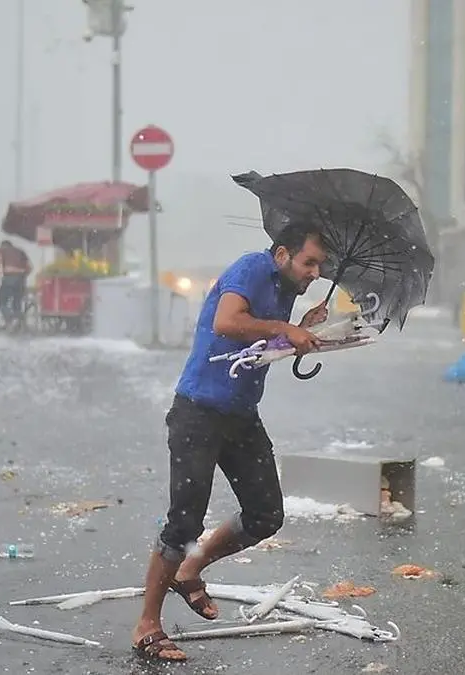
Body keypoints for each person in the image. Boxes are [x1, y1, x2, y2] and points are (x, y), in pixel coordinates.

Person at [130, 223, 329, 662]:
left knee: (265, 515)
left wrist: (299, 330)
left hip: (241, 416)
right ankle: (147, 624)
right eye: (309, 262)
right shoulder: (252, 268)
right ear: (282, 254)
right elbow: (227, 322)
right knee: (184, 522)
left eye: (321, 265)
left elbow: (257, 343)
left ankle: (190, 569)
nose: (316, 272)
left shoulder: (286, 286)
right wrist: (283, 326)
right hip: (198, 412)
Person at [0, 241, 32, 329]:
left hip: (9, 277)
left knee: (2, 302)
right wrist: (23, 276)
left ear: (3, 246)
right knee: (17, 302)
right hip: (20, 279)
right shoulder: (20, 251)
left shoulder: (2, 250)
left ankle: (10, 318)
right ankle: (17, 323)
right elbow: (30, 267)